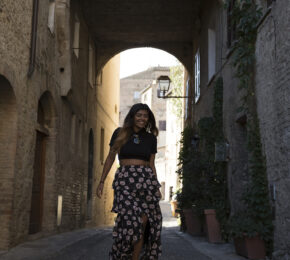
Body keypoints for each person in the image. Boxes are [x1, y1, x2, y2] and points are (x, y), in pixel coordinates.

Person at [96, 103, 162, 260]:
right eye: (139, 115)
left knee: (144, 223)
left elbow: (152, 164)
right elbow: (111, 157)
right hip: (125, 181)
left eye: (145, 116)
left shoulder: (151, 138)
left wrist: (156, 185)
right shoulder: (120, 133)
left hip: (146, 182)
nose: (142, 118)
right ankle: (122, 254)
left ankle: (135, 258)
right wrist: (101, 181)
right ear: (132, 117)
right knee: (130, 223)